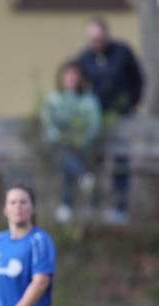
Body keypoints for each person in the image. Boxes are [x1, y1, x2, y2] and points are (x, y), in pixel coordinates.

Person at [77, 16, 144, 224]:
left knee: (121, 160)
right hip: (96, 119)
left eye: (98, 39)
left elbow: (138, 79)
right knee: (93, 161)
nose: (95, 44)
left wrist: (133, 102)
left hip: (122, 115)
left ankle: (119, 207)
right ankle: (93, 204)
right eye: (91, 40)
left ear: (106, 36)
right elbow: (77, 86)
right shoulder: (84, 58)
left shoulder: (122, 52)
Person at [40, 60, 101, 223]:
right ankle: (83, 181)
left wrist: (78, 139)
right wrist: (63, 138)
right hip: (58, 146)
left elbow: (93, 126)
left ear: (81, 79)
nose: (71, 78)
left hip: (82, 147)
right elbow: (49, 125)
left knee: (69, 158)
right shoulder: (53, 100)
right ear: (61, 78)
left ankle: (66, 204)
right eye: (68, 75)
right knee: (64, 153)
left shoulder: (88, 101)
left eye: (75, 75)